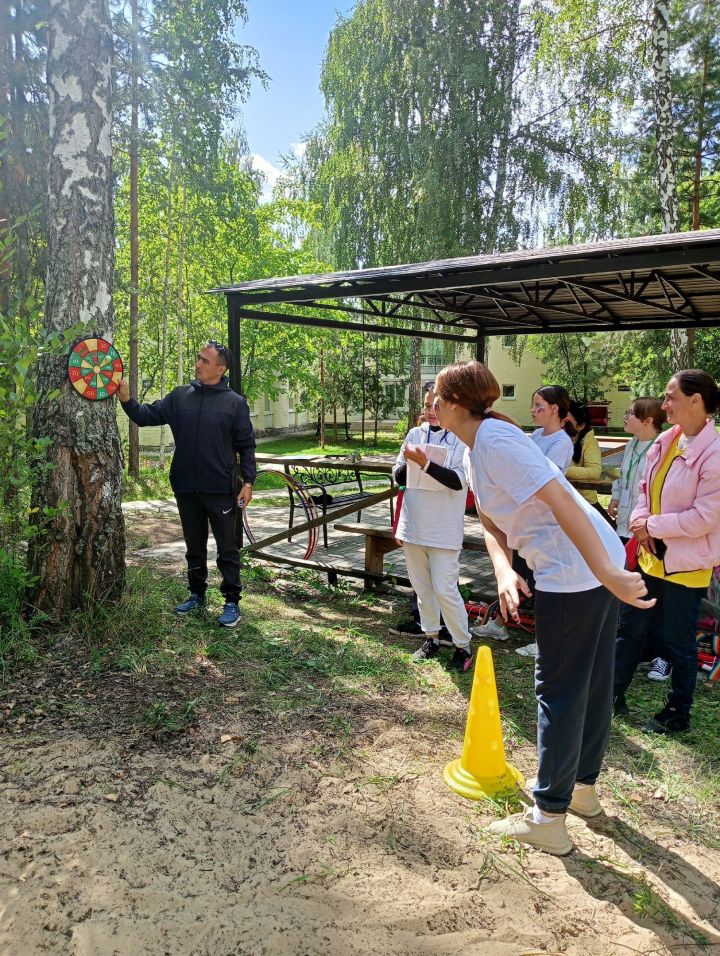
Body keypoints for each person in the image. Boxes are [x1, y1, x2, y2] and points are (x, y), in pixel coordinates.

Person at [433, 360, 653, 856]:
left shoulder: (497, 442)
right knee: (591, 681)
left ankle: (549, 816)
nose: (430, 405)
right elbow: (491, 521)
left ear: (451, 404)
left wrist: (606, 571)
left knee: (560, 687)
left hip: (577, 571)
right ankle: (581, 792)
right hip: (581, 567)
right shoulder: (478, 446)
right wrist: (506, 570)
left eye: (434, 397)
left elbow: (561, 499)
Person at [117, 341, 256, 628]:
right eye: (197, 359)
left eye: (204, 361)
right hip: (185, 486)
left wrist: (249, 483)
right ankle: (197, 594)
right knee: (194, 545)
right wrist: (127, 399)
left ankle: (231, 601)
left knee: (227, 547)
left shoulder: (235, 403)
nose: (197, 364)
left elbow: (246, 445)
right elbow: (146, 416)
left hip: (220, 488)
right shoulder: (180, 397)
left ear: (221, 368)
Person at [613, 370, 720, 734]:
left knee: (677, 640)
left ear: (696, 400)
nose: (664, 404)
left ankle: (678, 712)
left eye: (671, 396)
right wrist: (642, 522)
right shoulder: (666, 440)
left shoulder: (715, 453)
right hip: (650, 558)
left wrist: (651, 527)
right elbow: (645, 488)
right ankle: (612, 693)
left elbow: (705, 518)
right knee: (630, 630)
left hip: (685, 566)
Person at [479, 385, 573, 652]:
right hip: (522, 519)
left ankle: (543, 641)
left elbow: (542, 476)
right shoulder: (535, 436)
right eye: (533, 405)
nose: (533, 411)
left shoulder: (561, 442)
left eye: (539, 406)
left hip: (544, 524)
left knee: (541, 581)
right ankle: (499, 623)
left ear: (555, 409)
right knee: (514, 571)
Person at [393, 386, 473, 672]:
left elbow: (457, 482)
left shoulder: (461, 440)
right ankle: (431, 638)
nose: (430, 411)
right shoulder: (415, 434)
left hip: (443, 529)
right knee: (422, 588)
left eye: (435, 406)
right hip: (414, 525)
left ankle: (463, 645)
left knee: (445, 589)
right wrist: (409, 466)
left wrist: (424, 464)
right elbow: (397, 474)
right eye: (426, 405)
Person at [609, 398, 669, 683]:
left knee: (649, 593)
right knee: (625, 586)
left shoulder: (660, 446)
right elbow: (624, 476)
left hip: (646, 532)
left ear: (648, 420)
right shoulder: (632, 443)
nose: (625, 417)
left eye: (631, 413)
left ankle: (658, 655)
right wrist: (616, 497)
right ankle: (628, 647)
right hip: (624, 525)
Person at [565, 400, 604, 512]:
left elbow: (594, 471)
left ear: (580, 425)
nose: (561, 423)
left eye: (566, 420)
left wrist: (561, 470)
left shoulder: (589, 441)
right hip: (562, 500)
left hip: (584, 502)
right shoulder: (553, 437)